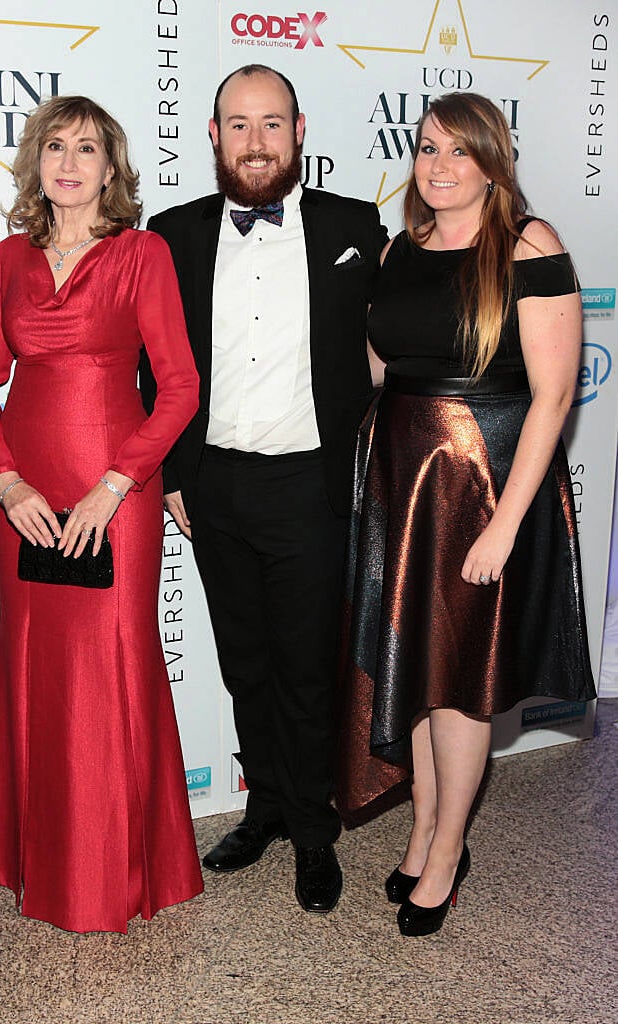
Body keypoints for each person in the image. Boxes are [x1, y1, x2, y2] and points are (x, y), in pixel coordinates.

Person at [336, 92, 597, 936]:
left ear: (492, 160)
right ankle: (418, 830)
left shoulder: (528, 245)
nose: (439, 165)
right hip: (401, 479)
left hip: (484, 483)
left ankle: (448, 851)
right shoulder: (397, 247)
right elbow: (381, 369)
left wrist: (505, 524)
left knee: (460, 684)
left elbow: (553, 395)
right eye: (425, 148)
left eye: (459, 150)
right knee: (411, 672)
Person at [141, 65, 387, 914]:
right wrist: (172, 474)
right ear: (211, 135)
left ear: (300, 128)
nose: (255, 141)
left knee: (308, 670)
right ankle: (267, 807)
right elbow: (150, 365)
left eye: (271, 123)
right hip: (214, 486)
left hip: (312, 488)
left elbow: (395, 344)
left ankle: (314, 833)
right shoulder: (169, 235)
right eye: (237, 125)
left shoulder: (354, 228)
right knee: (245, 664)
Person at [0, 94, 203, 934]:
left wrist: (115, 484)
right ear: (36, 162)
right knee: (31, 661)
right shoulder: (8, 259)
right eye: (55, 146)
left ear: (112, 168)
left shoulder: (142, 254)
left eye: (88, 148)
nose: (69, 162)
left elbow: (177, 387)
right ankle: (27, 858)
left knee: (111, 660)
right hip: (25, 500)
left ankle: (114, 870)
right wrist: (8, 481)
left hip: (117, 495)